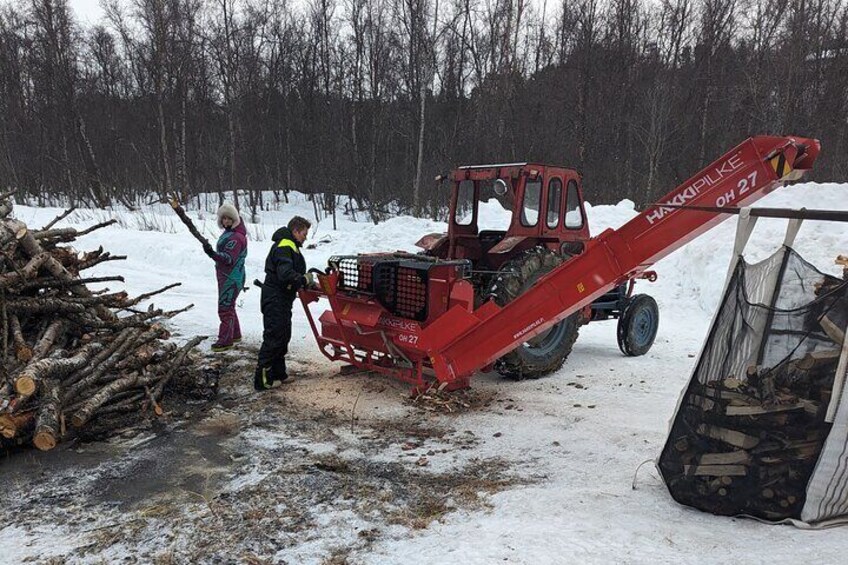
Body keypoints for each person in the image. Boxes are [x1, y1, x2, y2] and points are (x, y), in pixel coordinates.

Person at [254, 215, 315, 390]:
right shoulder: (285, 246)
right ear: (295, 231)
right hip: (275, 298)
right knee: (274, 337)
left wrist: (304, 281)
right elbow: (285, 273)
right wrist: (303, 279)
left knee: (283, 336)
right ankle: (263, 380)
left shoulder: (290, 245)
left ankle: (279, 374)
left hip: (282, 298)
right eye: (304, 233)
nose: (305, 237)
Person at [204, 203, 248, 352]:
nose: (226, 222)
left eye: (229, 219)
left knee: (224, 308)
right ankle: (235, 334)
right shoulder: (231, 232)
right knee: (229, 307)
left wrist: (212, 253)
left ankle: (225, 340)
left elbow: (229, 259)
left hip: (231, 277)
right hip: (229, 276)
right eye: (224, 219)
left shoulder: (236, 237)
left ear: (235, 219)